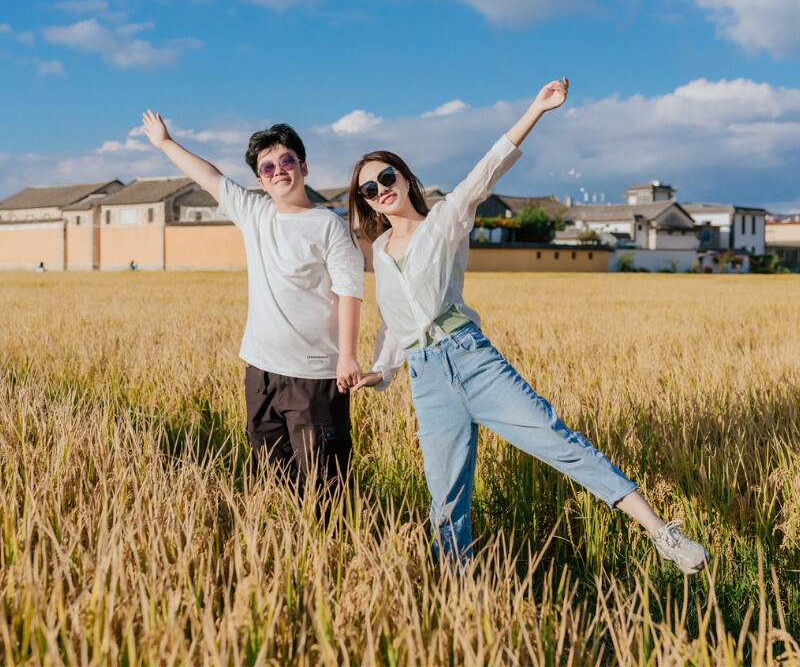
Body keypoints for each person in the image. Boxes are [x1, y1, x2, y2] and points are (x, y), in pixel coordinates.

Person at [349, 78, 710, 574]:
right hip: (425, 377)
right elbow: (395, 323)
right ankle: (457, 592)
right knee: (446, 496)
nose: (381, 190)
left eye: (387, 177)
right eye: (369, 189)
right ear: (367, 202)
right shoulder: (379, 252)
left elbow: (489, 166)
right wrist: (381, 370)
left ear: (407, 179)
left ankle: (662, 533)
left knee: (559, 442)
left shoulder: (446, 220)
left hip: (471, 360)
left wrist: (537, 109)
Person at [142, 111, 364, 494]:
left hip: (313, 377)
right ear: (260, 180)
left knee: (324, 485)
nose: (279, 170)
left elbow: (350, 292)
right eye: (268, 167)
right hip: (261, 374)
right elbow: (210, 176)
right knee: (274, 480)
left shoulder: (329, 226)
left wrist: (347, 357)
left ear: (304, 167)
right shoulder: (255, 213)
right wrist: (165, 143)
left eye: (287, 160)